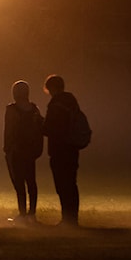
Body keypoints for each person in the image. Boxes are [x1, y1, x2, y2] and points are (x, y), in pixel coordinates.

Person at [42, 74, 83, 226]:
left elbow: (49, 129)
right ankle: (73, 218)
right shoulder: (72, 102)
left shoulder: (55, 104)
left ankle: (66, 218)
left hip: (59, 150)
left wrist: (39, 123)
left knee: (62, 184)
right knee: (72, 183)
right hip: (72, 148)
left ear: (51, 88)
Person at [3, 80, 44, 223]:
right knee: (31, 181)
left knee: (19, 182)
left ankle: (22, 213)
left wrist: (7, 148)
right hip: (30, 151)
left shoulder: (11, 109)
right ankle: (32, 213)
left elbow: (9, 131)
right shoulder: (34, 109)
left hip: (16, 150)